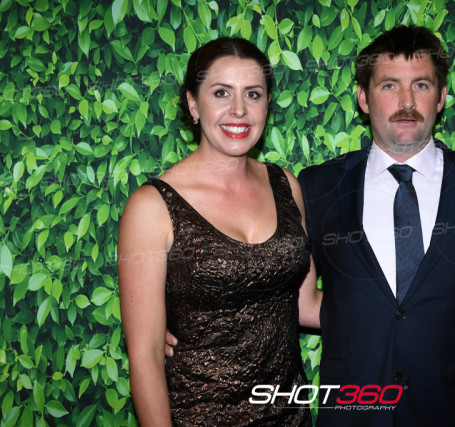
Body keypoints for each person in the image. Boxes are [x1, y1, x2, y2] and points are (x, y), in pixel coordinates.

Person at [297, 26, 455, 426]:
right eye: (389, 86)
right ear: (363, 98)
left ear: (442, 96)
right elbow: (285, 296)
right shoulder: (316, 188)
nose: (407, 102)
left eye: (421, 85)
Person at [118, 37, 320, 426]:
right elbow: (145, 357)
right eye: (221, 93)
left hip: (290, 417)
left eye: (253, 94)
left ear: (267, 105)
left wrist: (406, 309)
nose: (239, 109)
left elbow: (307, 305)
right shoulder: (151, 207)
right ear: (194, 104)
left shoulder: (286, 185)